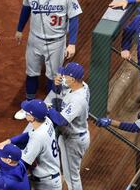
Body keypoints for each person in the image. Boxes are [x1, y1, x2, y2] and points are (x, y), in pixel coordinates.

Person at [14, 0, 82, 120]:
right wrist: (19, 29)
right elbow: (26, 8)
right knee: (31, 73)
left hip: (56, 42)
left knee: (54, 76)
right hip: (34, 39)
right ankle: (29, 104)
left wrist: (71, 43)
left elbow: (74, 19)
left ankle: (53, 105)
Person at [0, 99, 62, 189]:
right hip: (47, 177)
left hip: (46, 184)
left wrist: (1, 161)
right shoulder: (46, 121)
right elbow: (29, 134)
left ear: (32, 118)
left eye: (26, 112)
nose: (25, 112)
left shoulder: (38, 137)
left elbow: (23, 165)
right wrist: (10, 141)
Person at [50, 62, 90, 190]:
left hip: (74, 140)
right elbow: (58, 90)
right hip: (71, 135)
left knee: (72, 178)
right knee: (70, 174)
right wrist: (55, 84)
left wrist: (48, 109)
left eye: (65, 75)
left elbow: (61, 121)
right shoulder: (80, 85)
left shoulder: (78, 99)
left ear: (72, 79)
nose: (62, 77)